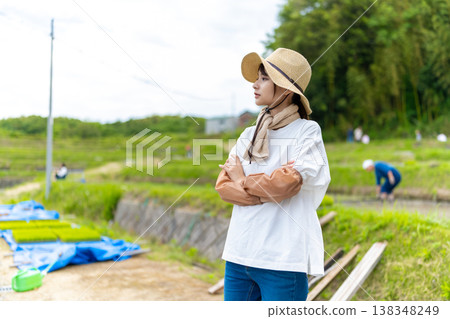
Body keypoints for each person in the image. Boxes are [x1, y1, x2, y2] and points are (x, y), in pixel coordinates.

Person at [215, 48, 331, 301]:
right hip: (239, 256)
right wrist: (270, 187)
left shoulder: (307, 131)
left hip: (282, 259)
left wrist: (243, 180)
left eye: (264, 78)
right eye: (257, 78)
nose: (255, 84)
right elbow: (223, 185)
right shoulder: (249, 134)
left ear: (286, 90)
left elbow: (288, 183)